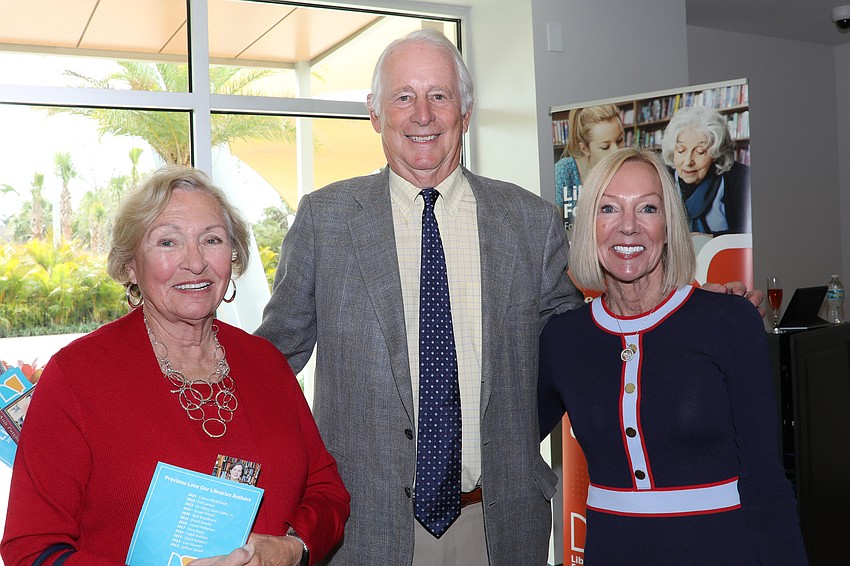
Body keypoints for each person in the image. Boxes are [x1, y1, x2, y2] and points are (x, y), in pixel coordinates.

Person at [255, 28, 584, 566]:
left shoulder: (532, 223)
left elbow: (584, 350)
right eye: (403, 97)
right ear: (375, 113)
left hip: (498, 526)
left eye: (439, 95)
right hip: (362, 529)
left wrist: (683, 305)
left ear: (466, 110)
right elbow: (271, 360)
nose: (422, 114)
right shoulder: (325, 220)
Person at [1, 166, 349, 566]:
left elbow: (327, 488)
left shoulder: (265, 362)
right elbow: (32, 549)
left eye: (212, 240)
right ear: (131, 265)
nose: (196, 263)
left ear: (232, 256)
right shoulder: (77, 377)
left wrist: (294, 548)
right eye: (168, 242)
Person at [538, 148, 807, 564]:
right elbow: (506, 438)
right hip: (613, 553)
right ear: (590, 225)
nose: (628, 228)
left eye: (647, 208)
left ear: (669, 226)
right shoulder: (563, 338)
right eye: (609, 208)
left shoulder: (729, 321)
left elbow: (767, 481)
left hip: (724, 551)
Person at [660, 105, 751, 235]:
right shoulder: (662, 178)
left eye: (700, 152)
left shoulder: (741, 178)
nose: (688, 162)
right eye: (681, 151)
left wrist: (711, 240)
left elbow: (755, 231)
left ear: (716, 152)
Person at [554, 104, 625, 229]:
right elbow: (555, 230)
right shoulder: (564, 171)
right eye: (605, 147)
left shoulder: (630, 168)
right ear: (585, 148)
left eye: (619, 140)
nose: (616, 151)